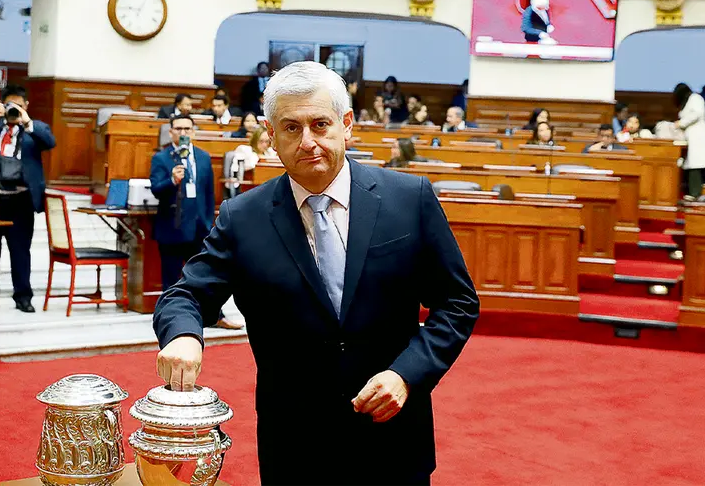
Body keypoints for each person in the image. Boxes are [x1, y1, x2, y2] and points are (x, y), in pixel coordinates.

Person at [153, 61, 479, 486]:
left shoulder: (408, 199)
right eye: (290, 128)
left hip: (393, 434)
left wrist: (407, 374)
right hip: (294, 444)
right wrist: (182, 335)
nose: (307, 142)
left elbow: (457, 302)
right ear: (271, 137)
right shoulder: (242, 217)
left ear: (346, 125)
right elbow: (185, 296)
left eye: (320, 124)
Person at [0, 85, 56, 313]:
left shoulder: (35, 129)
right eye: (9, 106)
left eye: (19, 106)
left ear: (26, 107)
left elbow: (49, 142)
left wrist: (26, 122)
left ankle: (23, 297)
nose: (14, 111)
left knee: (20, 251)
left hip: (20, 200)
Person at [150, 115, 244, 331]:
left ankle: (215, 315)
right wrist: (171, 181)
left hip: (199, 226)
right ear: (171, 132)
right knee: (172, 280)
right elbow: (156, 189)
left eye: (187, 129)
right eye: (178, 129)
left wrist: (210, 220)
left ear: (193, 131)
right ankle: (170, 322)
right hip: (173, 226)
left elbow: (208, 192)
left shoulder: (202, 157)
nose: (183, 133)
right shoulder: (162, 158)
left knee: (207, 276)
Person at [674, 83, 705, 200]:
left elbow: (696, 114)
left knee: (696, 164)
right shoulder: (690, 100)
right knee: (692, 164)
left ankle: (696, 193)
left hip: (697, 135)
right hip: (690, 135)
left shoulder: (695, 98)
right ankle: (693, 192)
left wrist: (681, 123)